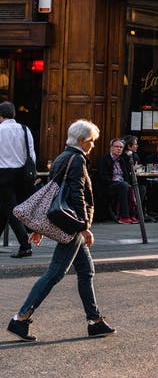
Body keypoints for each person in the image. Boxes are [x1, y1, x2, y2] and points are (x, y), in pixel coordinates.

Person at [7, 118, 115, 341]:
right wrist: (84, 227)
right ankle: (20, 318)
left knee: (86, 271)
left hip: (66, 222)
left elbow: (52, 194)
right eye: (92, 141)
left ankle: (94, 321)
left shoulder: (62, 157)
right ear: (83, 140)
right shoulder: (77, 160)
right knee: (55, 273)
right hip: (72, 225)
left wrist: (41, 226)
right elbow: (77, 195)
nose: (93, 146)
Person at [0, 101, 36, 258]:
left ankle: (25, 245)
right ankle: (24, 244)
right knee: (4, 209)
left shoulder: (0, 130)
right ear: (13, 114)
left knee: (11, 210)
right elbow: (31, 153)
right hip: (22, 174)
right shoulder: (24, 129)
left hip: (3, 174)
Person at [95, 138, 138, 223]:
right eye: (117, 147)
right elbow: (104, 178)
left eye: (121, 147)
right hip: (108, 186)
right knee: (124, 186)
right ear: (111, 148)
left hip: (122, 185)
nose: (119, 149)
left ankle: (133, 214)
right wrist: (119, 183)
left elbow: (125, 175)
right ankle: (124, 216)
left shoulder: (122, 160)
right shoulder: (105, 160)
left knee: (139, 187)